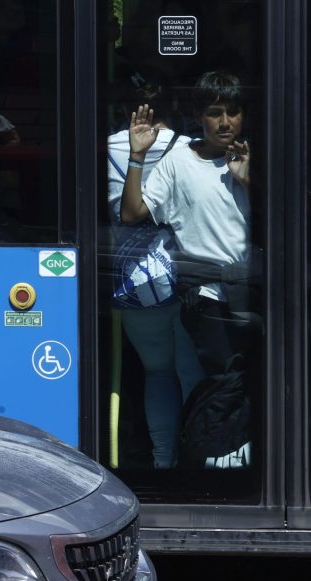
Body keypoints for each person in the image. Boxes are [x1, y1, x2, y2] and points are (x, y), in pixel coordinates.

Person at [120, 71, 252, 379]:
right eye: (214, 113)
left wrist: (249, 182)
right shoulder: (178, 161)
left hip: (257, 292)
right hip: (208, 296)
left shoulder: (258, 158)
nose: (225, 123)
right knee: (223, 386)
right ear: (198, 117)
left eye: (233, 113)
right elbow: (132, 212)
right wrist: (137, 155)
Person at [107, 70, 204, 470]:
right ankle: (200, 458)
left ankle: (164, 461)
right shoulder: (192, 147)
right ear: (177, 106)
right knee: (195, 376)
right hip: (188, 277)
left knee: (158, 373)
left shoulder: (107, 146)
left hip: (131, 281)